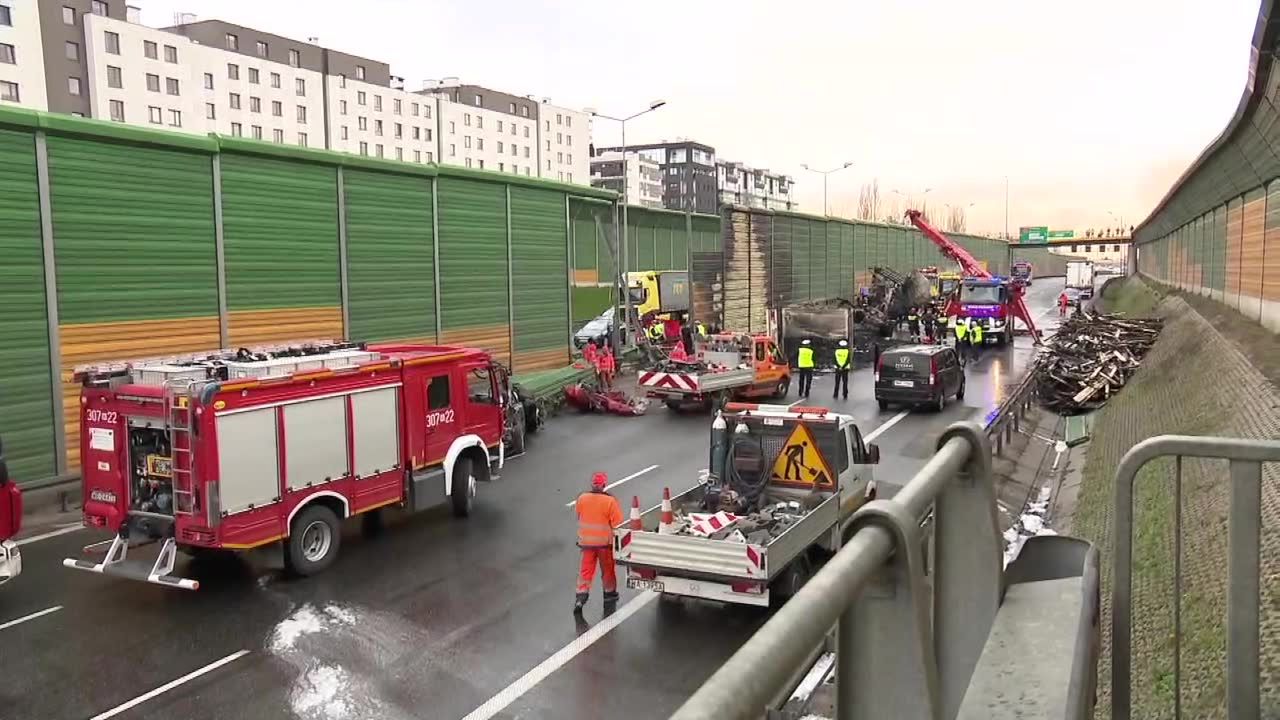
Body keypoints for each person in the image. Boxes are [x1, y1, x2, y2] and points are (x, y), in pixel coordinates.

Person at [574, 472, 624, 614]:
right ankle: (609, 594)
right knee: (607, 571)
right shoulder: (610, 501)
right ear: (604, 485)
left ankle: (581, 597)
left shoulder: (582, 498)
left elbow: (579, 515)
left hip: (586, 544)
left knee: (585, 571)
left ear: (592, 484)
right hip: (604, 544)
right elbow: (618, 523)